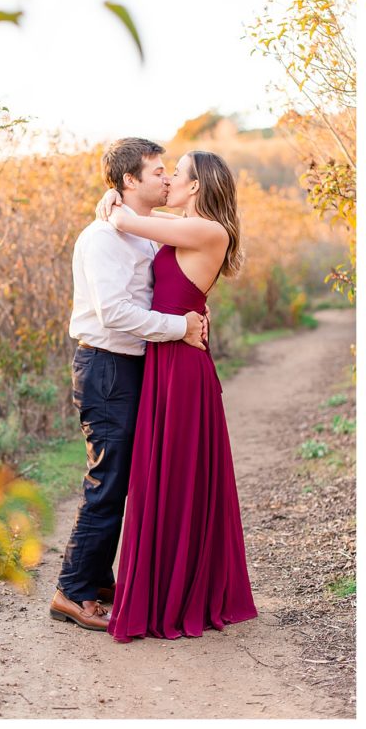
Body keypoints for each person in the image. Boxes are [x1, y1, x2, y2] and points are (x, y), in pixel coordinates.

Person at [95, 151, 258, 642]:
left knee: (175, 479)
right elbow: (142, 219)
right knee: (160, 477)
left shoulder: (210, 231)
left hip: (183, 368)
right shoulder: (187, 224)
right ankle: (163, 588)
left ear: (195, 187)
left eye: (176, 174)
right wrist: (115, 199)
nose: (168, 181)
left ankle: (173, 595)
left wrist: (114, 202)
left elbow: (130, 219)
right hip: (166, 355)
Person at [49, 138, 207, 631]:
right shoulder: (101, 238)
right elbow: (113, 313)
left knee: (126, 482)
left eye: (168, 170)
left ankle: (97, 581)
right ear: (129, 181)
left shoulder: (144, 232)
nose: (166, 178)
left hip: (134, 368)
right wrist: (179, 328)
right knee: (107, 484)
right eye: (157, 171)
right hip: (106, 367)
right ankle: (71, 592)